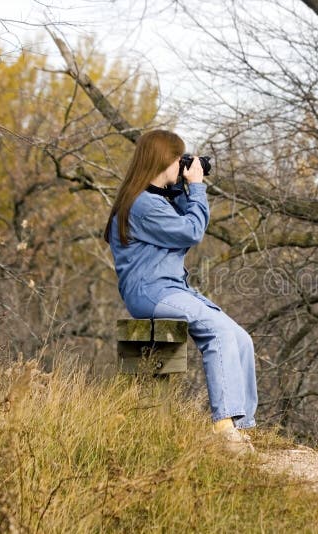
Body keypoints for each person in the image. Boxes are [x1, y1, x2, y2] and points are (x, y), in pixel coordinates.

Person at [104, 129, 257, 455]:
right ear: (164, 160)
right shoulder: (143, 204)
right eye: (179, 160)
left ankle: (242, 428)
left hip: (172, 289)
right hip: (150, 292)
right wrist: (198, 187)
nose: (183, 166)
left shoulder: (157, 199)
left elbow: (186, 219)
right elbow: (191, 230)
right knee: (216, 331)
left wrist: (184, 188)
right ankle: (224, 426)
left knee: (240, 337)